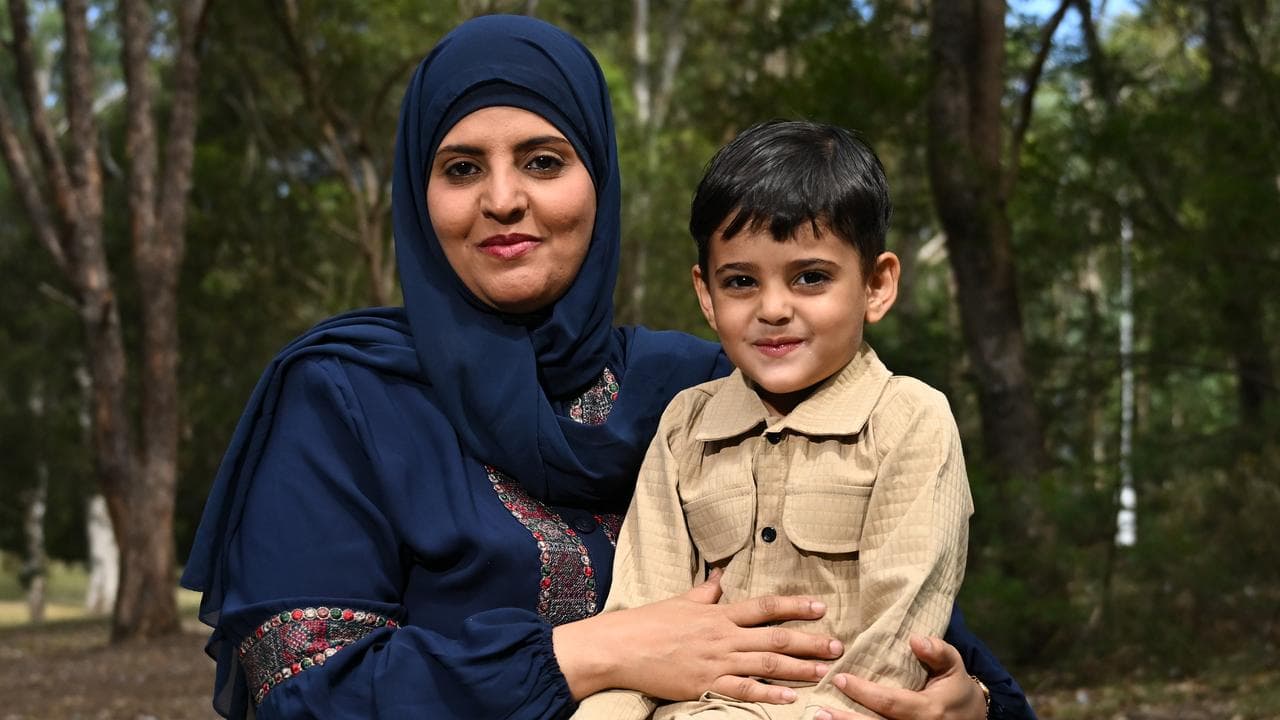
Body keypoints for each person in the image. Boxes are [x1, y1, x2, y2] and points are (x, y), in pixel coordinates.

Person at [180, 14, 1036, 720]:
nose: (504, 198)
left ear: (599, 179)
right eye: (461, 167)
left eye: (544, 160)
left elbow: (906, 598)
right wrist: (601, 651)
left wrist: (967, 706)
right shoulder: (345, 394)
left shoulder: (696, 386)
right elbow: (304, 696)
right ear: (417, 193)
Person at [573, 121, 970, 720]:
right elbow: (638, 622)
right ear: (706, 295)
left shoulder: (911, 420)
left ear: (877, 285)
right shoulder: (686, 427)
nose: (774, 309)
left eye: (811, 277)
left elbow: (897, 648)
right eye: (741, 282)